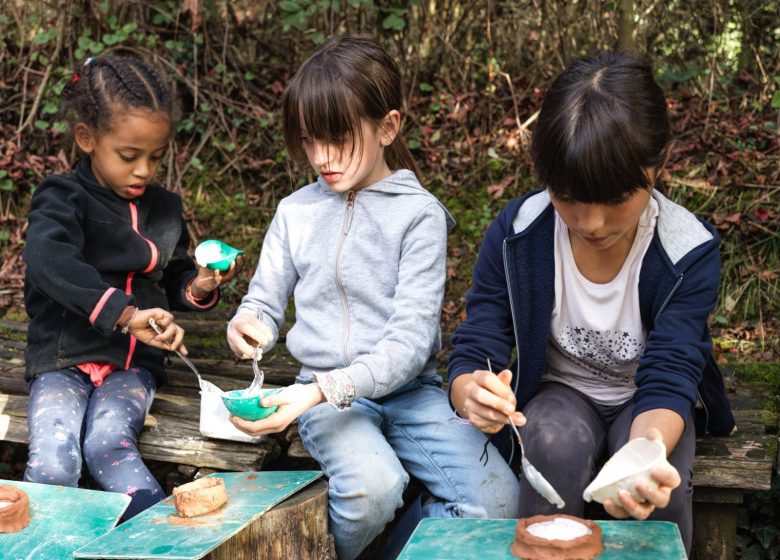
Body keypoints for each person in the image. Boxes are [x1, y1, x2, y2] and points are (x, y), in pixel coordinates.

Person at [226, 35, 520, 560]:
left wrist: (320, 392)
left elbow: (410, 342)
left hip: (410, 392)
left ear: (387, 126)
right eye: (309, 141)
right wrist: (251, 326)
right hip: (322, 390)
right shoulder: (295, 212)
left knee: (497, 502)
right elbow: (264, 304)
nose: (321, 157)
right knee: (373, 487)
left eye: (337, 139)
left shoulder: (419, 216)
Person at [447, 51, 735, 556]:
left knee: (653, 483)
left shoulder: (686, 250)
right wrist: (470, 390)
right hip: (560, 394)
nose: (591, 223)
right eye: (568, 196)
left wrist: (646, 448)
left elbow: (672, 370)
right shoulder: (518, 235)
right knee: (551, 443)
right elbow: (479, 343)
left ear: (656, 165)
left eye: (616, 199)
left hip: (646, 403)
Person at [23, 54, 236, 519]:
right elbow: (47, 260)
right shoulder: (62, 197)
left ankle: (156, 539)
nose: (143, 170)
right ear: (87, 139)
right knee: (54, 458)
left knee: (109, 446)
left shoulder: (163, 208)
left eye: (155, 157)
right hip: (63, 358)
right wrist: (124, 314)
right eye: (128, 156)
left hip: (133, 366)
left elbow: (172, 274)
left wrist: (197, 286)